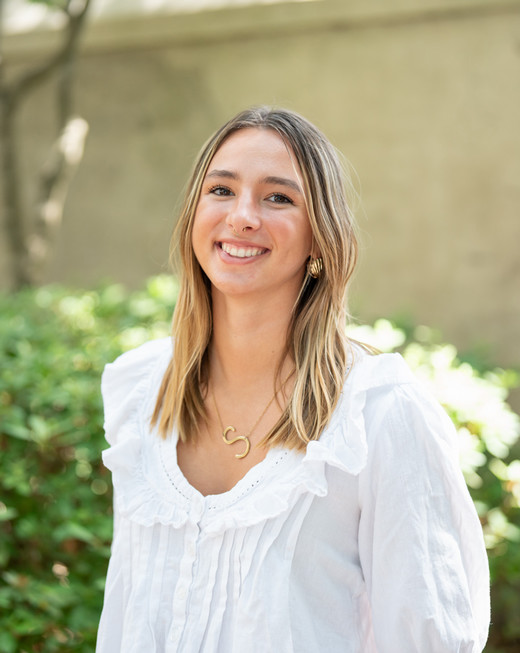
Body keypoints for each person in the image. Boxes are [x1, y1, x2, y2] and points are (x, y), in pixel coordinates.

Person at [96, 107, 490, 652]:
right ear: (194, 216)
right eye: (221, 190)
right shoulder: (141, 393)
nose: (242, 216)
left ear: (318, 240)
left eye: (278, 197)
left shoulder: (377, 416)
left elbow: (430, 637)